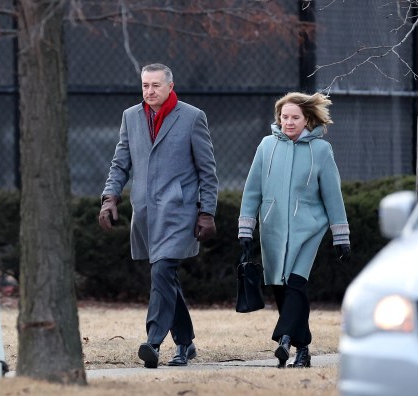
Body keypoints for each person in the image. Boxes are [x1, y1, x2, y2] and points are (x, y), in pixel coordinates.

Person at [98, 63, 218, 369]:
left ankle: (153, 341)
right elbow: (120, 163)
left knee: (162, 271)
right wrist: (110, 198)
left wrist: (206, 212)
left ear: (170, 86)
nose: (149, 91)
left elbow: (208, 171)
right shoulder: (131, 117)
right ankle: (185, 343)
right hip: (146, 213)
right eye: (145, 85)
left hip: (180, 212)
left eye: (155, 85)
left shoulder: (192, 117)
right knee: (167, 278)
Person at [237, 92, 350, 368]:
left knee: (297, 284)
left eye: (294, 117)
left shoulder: (322, 151)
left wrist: (341, 236)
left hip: (309, 229)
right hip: (273, 228)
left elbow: (333, 195)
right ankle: (303, 350)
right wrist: (245, 229)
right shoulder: (266, 146)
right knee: (281, 287)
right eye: (284, 117)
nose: (288, 122)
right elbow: (252, 191)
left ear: (307, 119)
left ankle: (284, 339)